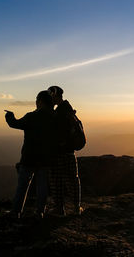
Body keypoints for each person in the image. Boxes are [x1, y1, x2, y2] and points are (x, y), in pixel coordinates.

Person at [5, 90, 55, 219]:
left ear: (40, 101)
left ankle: (16, 212)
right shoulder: (53, 117)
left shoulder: (32, 116)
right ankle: (40, 212)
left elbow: (15, 124)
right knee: (42, 186)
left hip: (29, 157)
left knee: (23, 185)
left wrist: (10, 116)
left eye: (37, 100)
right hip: (45, 158)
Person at [47, 86, 83, 216]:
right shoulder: (67, 110)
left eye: (51, 96)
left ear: (55, 96)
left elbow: (57, 132)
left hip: (59, 152)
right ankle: (75, 208)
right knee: (71, 180)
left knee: (57, 180)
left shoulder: (60, 112)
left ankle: (60, 208)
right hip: (68, 152)